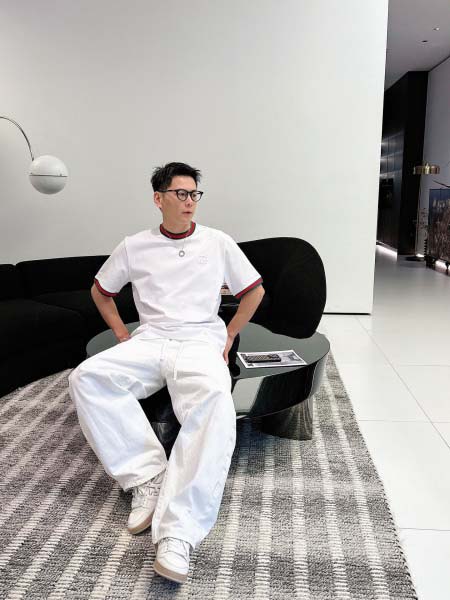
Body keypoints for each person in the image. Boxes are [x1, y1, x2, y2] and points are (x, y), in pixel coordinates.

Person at [68, 162, 265, 584]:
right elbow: (101, 292)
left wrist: (229, 333)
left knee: (215, 401)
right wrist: (122, 334)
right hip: (151, 339)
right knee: (86, 378)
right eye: (181, 194)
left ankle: (179, 532)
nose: (190, 201)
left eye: (195, 194)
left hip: (199, 340)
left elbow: (254, 291)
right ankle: (147, 475)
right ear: (158, 199)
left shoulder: (217, 242)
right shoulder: (134, 246)